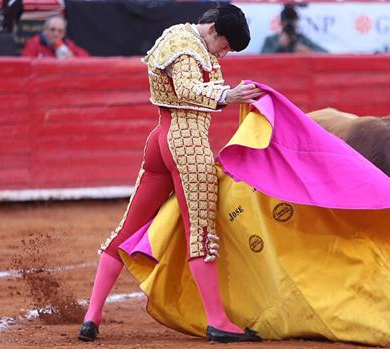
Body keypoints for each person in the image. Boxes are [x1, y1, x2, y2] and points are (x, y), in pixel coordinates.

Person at [77, 3, 264, 343]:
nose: (223, 55)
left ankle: (92, 317)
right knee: (202, 231)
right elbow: (187, 90)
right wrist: (229, 94)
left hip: (161, 138)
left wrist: (228, 94)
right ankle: (218, 321)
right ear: (213, 32)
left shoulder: (178, 38)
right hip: (186, 141)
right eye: (224, 46)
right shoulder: (186, 44)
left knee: (127, 227)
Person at [261, 4, 327, 53]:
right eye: (287, 20)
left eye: (293, 20)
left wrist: (307, 51)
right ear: (281, 23)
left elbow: (326, 55)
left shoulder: (302, 39)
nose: (290, 23)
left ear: (297, 22)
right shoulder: (271, 40)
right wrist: (279, 46)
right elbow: (260, 60)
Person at [21, 15, 89, 59]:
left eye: (60, 31)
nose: (56, 34)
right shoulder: (34, 42)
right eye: (52, 29)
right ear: (45, 29)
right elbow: (25, 64)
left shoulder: (67, 43)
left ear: (64, 33)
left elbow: (86, 58)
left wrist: (73, 58)